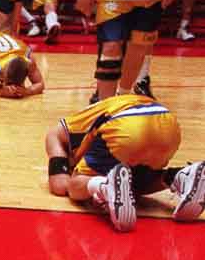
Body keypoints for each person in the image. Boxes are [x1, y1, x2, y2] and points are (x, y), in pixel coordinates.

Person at [45, 93, 205, 231]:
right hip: (169, 125)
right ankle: (179, 176)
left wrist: (73, 176)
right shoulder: (94, 114)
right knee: (131, 181)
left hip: (126, 125)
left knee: (75, 186)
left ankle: (104, 186)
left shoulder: (59, 133)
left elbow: (59, 185)